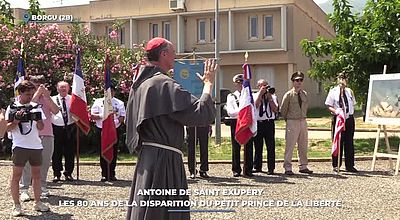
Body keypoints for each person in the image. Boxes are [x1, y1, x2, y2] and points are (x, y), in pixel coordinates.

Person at [125, 37, 216, 220]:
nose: (175, 57)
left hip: (147, 157)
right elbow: (200, 115)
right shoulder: (164, 84)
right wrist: (208, 84)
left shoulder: (140, 85)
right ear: (163, 54)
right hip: (164, 160)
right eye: (173, 53)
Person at [5, 80, 50, 216]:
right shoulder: (12, 107)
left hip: (36, 145)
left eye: (32, 94)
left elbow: (41, 128)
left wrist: (39, 120)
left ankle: (38, 202)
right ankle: (16, 205)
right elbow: (8, 129)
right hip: (20, 146)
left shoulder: (36, 107)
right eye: (27, 94)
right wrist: (17, 120)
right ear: (20, 93)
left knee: (36, 175)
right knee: (16, 177)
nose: (30, 97)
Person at [20, 76, 59, 202]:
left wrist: (47, 97)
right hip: (30, 135)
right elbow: (28, 108)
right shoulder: (26, 98)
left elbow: (56, 111)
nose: (38, 85)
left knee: (45, 162)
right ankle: (24, 189)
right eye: (35, 83)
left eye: (40, 83)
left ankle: (42, 186)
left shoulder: (47, 97)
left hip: (47, 134)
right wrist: (36, 94)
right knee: (26, 164)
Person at [280, 71, 313, 175]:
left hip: (302, 120)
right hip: (292, 121)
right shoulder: (288, 95)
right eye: (297, 80)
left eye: (301, 80)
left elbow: (306, 107)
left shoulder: (304, 94)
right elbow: (283, 110)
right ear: (293, 82)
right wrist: (288, 119)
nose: (299, 82)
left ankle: (303, 166)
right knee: (290, 145)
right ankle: (287, 167)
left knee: (303, 144)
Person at [91, 85, 126, 181]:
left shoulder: (119, 103)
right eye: (107, 92)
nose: (110, 93)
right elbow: (93, 116)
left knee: (113, 151)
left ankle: (112, 173)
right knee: (103, 151)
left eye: (112, 91)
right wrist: (104, 116)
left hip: (114, 129)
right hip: (101, 128)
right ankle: (104, 173)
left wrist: (115, 123)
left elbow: (122, 116)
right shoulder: (98, 102)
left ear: (114, 92)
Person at [325, 72, 358, 173]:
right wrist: (336, 111)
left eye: (344, 79)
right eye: (341, 78)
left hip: (349, 119)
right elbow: (328, 105)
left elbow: (353, 104)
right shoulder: (333, 91)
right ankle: (336, 165)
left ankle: (350, 165)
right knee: (338, 141)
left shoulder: (349, 91)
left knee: (349, 142)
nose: (343, 81)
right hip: (339, 119)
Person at [225, 74, 254, 177]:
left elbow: (252, 109)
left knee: (249, 145)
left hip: (246, 122)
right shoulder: (231, 96)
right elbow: (230, 112)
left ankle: (248, 169)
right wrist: (242, 112)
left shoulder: (249, 96)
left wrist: (245, 113)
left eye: (242, 82)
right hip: (236, 122)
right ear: (235, 84)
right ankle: (236, 169)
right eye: (238, 82)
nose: (240, 84)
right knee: (236, 146)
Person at [51, 81, 76, 182]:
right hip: (56, 128)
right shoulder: (52, 99)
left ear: (69, 88)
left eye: (65, 87)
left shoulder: (73, 99)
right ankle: (57, 173)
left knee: (70, 152)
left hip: (70, 127)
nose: (63, 89)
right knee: (56, 152)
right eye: (61, 87)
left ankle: (68, 173)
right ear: (57, 89)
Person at [253, 79, 278, 175]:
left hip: (269, 123)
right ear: (258, 86)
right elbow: (255, 106)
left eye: (266, 86)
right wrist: (260, 94)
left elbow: (275, 109)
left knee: (270, 146)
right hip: (259, 123)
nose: (265, 88)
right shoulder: (255, 96)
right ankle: (257, 166)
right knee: (258, 146)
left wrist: (269, 98)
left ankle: (271, 168)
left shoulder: (272, 96)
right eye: (262, 86)